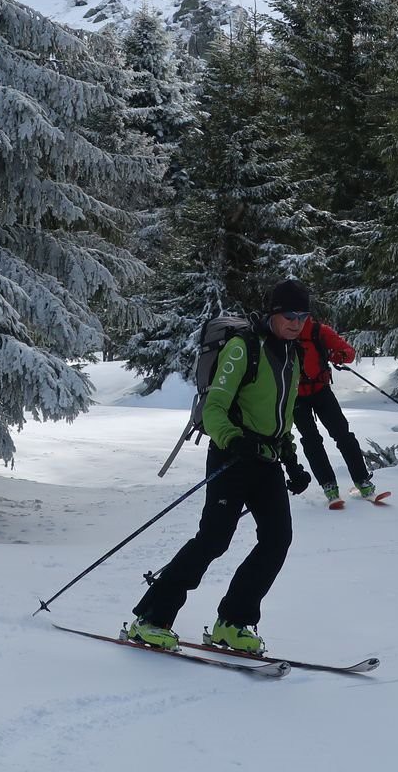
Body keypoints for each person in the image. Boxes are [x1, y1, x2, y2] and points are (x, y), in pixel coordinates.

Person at [126, 279, 313, 654]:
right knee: (213, 540)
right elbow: (213, 410)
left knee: (277, 540)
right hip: (232, 458)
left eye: (303, 316)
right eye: (289, 315)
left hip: (267, 460)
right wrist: (234, 440)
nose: (296, 323)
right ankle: (151, 619)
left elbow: (283, 417)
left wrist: (292, 461)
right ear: (274, 313)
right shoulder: (243, 348)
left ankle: (234, 621)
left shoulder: (292, 355)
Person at [293, 315, 377, 505]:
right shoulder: (316, 330)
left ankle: (332, 486)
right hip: (308, 394)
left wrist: (338, 355)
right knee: (339, 436)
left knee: (317, 440)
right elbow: (348, 352)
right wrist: (338, 356)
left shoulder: (316, 331)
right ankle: (360, 481)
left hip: (307, 394)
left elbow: (348, 352)